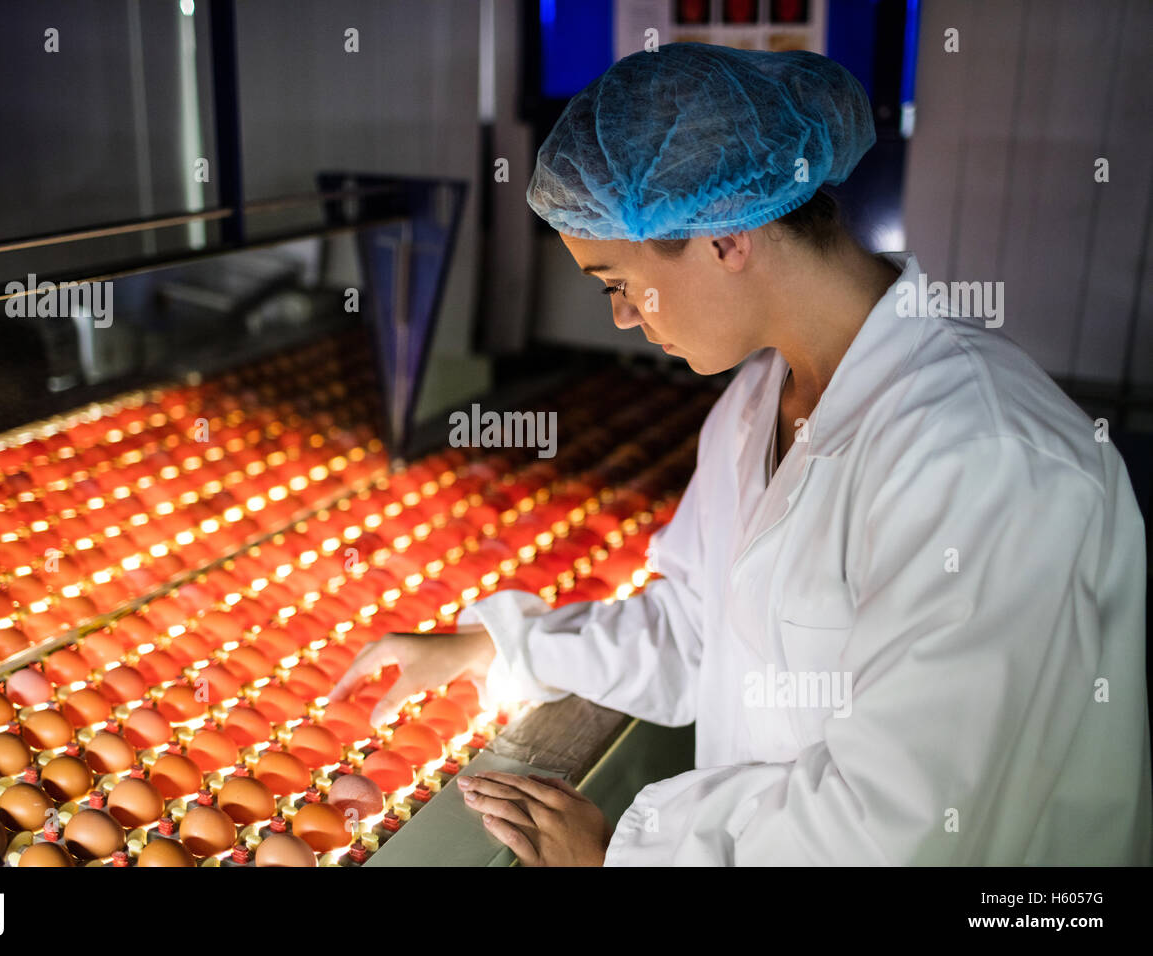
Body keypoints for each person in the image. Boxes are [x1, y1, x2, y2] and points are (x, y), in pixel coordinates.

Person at [333, 43, 1150, 865]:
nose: (620, 317)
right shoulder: (757, 405)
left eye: (616, 281)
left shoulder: (984, 459)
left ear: (727, 237)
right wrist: (500, 647)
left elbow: (908, 822)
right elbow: (700, 629)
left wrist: (624, 853)